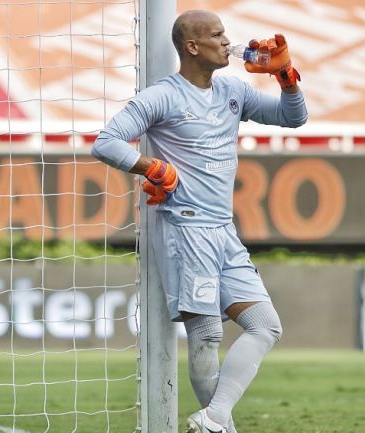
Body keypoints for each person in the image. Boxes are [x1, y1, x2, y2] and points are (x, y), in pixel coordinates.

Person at [91, 9, 307, 433]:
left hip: (222, 230)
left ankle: (214, 417)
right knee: (206, 335)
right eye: (217, 35)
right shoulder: (163, 96)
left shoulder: (232, 89)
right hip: (185, 229)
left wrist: (286, 79)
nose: (228, 41)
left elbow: (293, 117)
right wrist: (151, 167)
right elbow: (106, 142)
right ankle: (219, 425)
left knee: (265, 326)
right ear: (193, 46)